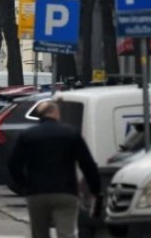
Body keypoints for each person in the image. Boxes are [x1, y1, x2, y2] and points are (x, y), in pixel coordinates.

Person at [8, 100, 101, 238]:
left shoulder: (27, 135)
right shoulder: (71, 134)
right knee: (66, 233)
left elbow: (14, 165)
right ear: (56, 113)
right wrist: (95, 189)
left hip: (37, 193)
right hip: (65, 192)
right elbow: (87, 164)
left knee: (39, 233)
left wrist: (25, 186)